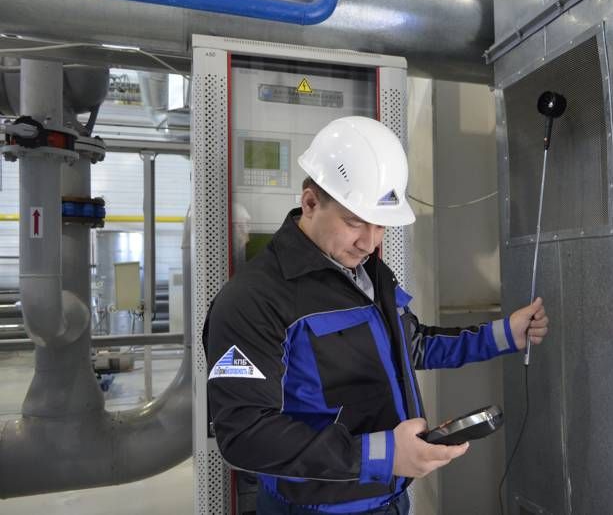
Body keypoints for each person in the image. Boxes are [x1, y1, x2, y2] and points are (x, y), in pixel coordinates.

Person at [203, 116, 548, 515]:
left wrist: (505, 335)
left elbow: (410, 344)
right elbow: (244, 435)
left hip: (390, 499)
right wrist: (381, 455)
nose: (369, 242)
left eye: (380, 226)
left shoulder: (370, 273)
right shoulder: (253, 299)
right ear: (310, 203)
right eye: (355, 222)